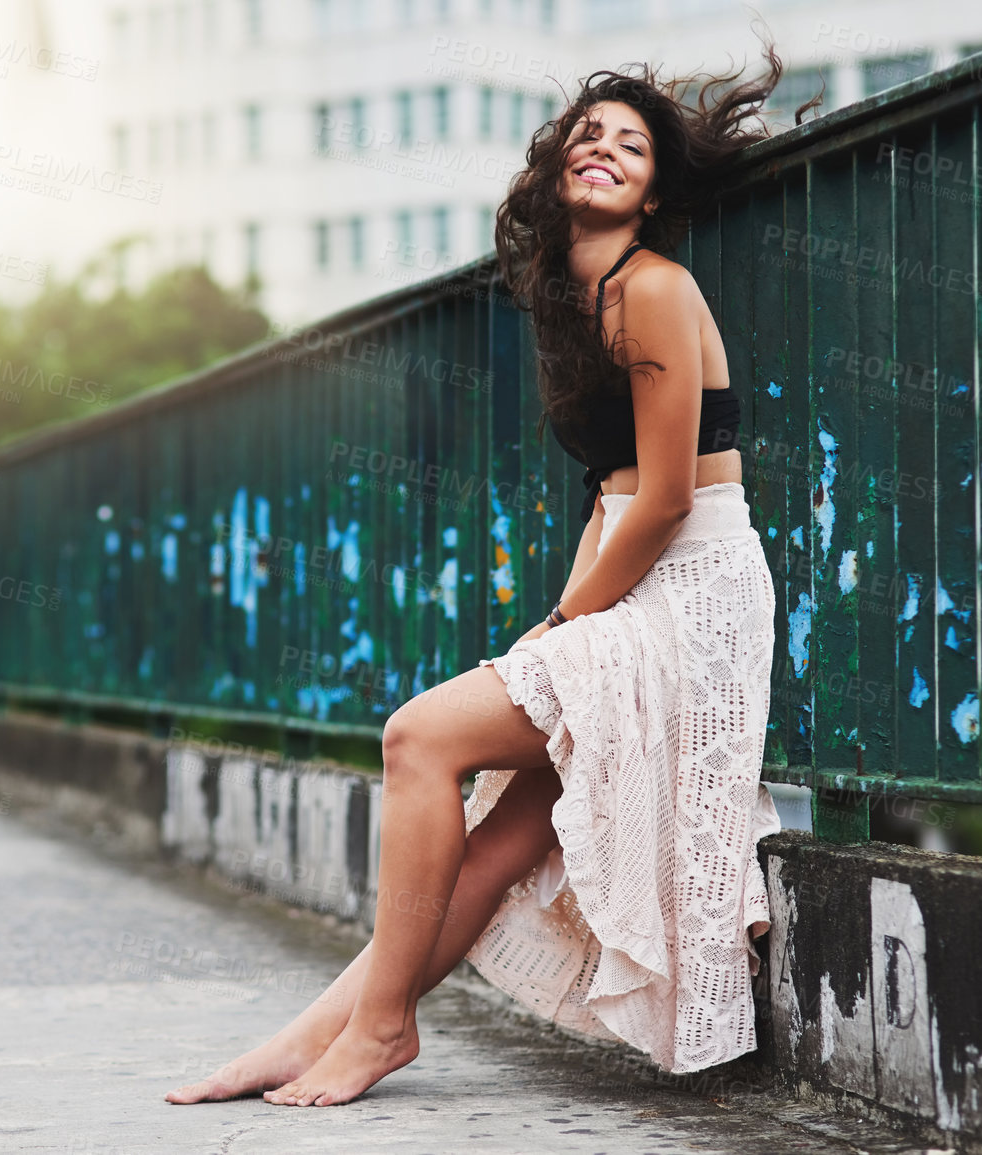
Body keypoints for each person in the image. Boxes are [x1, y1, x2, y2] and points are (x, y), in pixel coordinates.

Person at [168, 48, 813, 1108]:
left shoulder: (652, 288)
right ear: (556, 169)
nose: (604, 150)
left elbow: (661, 502)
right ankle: (312, 1034)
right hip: (639, 574)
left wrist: (566, 622)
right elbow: (612, 494)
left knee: (418, 737)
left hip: (696, 597)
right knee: (504, 831)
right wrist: (555, 628)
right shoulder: (578, 298)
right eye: (589, 135)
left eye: (633, 146)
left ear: (653, 193)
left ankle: (381, 1027)